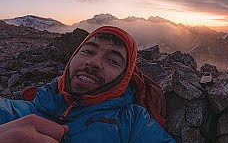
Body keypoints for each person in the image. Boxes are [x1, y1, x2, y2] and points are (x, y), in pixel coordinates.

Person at [0, 26, 175, 142]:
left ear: (123, 79)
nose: (94, 62)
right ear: (71, 59)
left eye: (113, 61)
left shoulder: (133, 121)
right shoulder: (17, 112)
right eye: (88, 51)